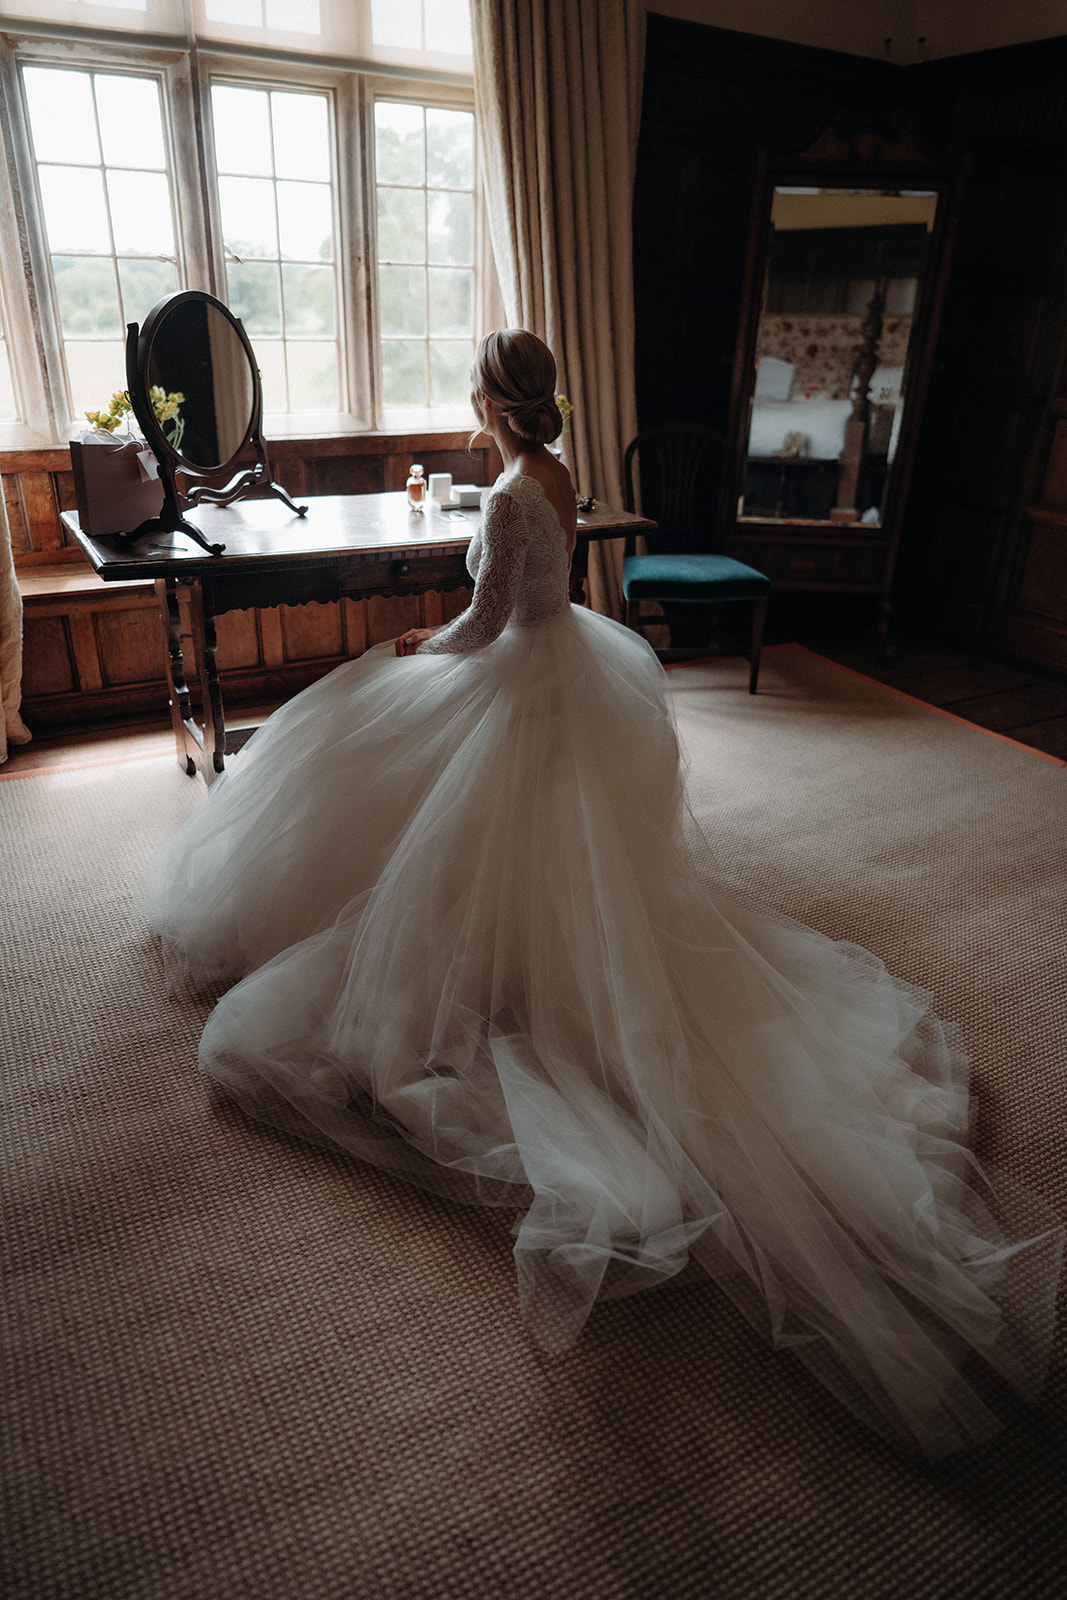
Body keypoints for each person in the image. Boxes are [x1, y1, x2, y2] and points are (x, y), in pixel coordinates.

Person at [145, 329, 1062, 1461]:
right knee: (543, 850)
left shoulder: (501, 494)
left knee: (361, 728)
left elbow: (485, 624)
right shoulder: (553, 476)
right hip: (570, 663)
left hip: (519, 669)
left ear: (491, 399)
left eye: (476, 386)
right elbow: (543, 598)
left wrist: (422, 644)